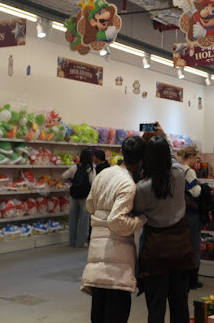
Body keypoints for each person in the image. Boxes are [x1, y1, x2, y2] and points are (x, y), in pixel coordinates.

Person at [81, 136, 147, 323]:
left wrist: (101, 217)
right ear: (142, 158)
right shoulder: (128, 184)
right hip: (117, 261)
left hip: (97, 252)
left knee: (98, 311)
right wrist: (140, 219)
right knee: (116, 312)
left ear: (122, 152)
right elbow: (117, 221)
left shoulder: (104, 174)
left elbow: (90, 204)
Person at [134, 129, 194, 323]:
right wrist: (163, 138)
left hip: (155, 251)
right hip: (180, 248)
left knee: (156, 307)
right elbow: (173, 159)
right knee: (180, 305)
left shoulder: (143, 187)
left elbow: (137, 210)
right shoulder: (178, 175)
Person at [177, 145, 203, 289]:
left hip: (180, 212)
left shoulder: (177, 169)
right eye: (196, 158)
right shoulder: (189, 171)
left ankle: (183, 278)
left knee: (183, 245)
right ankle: (193, 279)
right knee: (194, 244)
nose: (196, 161)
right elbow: (196, 192)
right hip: (191, 213)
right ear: (191, 156)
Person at [62, 148, 95, 247]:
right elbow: (94, 183)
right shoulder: (91, 169)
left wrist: (71, 182)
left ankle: (72, 241)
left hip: (74, 195)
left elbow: (64, 176)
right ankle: (80, 242)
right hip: (85, 196)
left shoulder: (75, 167)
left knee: (73, 219)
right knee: (84, 220)